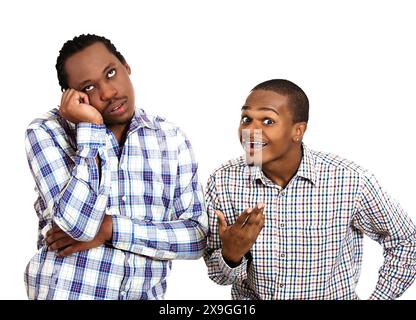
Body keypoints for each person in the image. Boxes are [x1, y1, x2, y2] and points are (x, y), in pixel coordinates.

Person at [24, 34, 208, 300]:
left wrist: (111, 229)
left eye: (111, 73)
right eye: (88, 88)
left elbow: (197, 237)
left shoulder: (171, 138)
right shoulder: (46, 131)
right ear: (70, 96)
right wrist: (91, 129)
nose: (108, 92)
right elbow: (79, 226)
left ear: (126, 66)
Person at [204, 79, 416, 299]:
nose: (250, 131)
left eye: (267, 121)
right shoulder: (223, 181)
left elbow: (407, 242)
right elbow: (218, 275)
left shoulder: (350, 181)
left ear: (298, 130)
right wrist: (231, 255)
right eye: (246, 119)